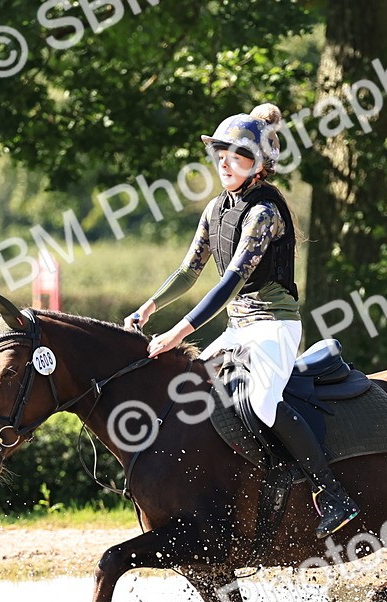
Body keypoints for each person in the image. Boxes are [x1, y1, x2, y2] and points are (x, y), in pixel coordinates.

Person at [125, 103, 359, 538]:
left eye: (238, 156)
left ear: (259, 165)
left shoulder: (264, 212)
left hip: (274, 326)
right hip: (239, 328)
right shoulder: (215, 209)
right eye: (221, 155)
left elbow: (232, 280)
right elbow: (189, 271)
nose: (225, 164)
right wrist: (150, 305)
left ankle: (332, 493)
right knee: (190, 391)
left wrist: (179, 331)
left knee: (261, 403)